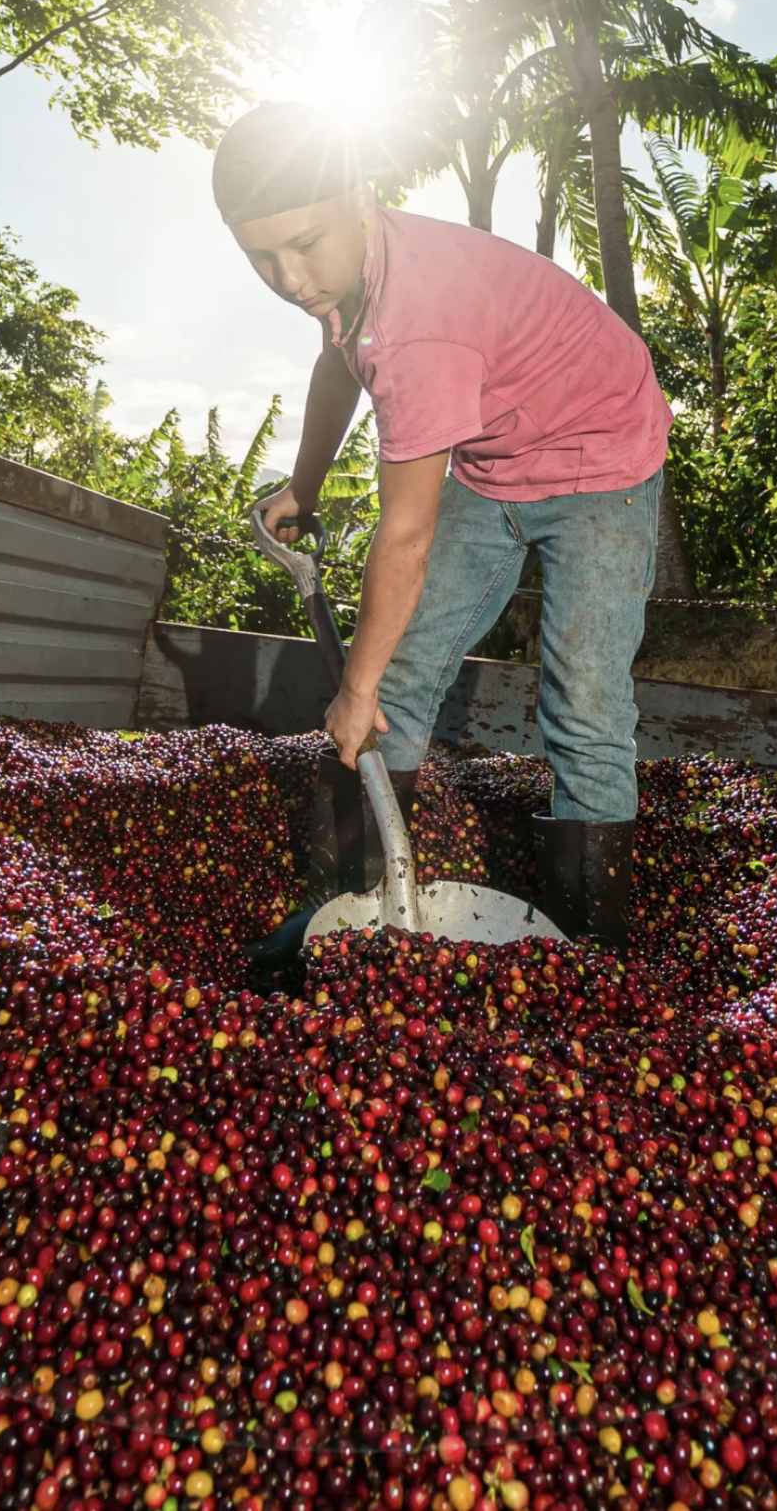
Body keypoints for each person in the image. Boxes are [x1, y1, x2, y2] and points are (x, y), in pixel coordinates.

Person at [216, 101, 670, 948]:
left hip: (601, 457)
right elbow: (336, 357)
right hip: (498, 455)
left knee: (584, 704)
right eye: (261, 257)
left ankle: (594, 947)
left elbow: (406, 538)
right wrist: (306, 485)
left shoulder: (417, 323)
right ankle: (352, 912)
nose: (290, 278)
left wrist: (353, 691)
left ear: (361, 196)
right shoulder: (353, 273)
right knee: (397, 679)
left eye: (304, 245)